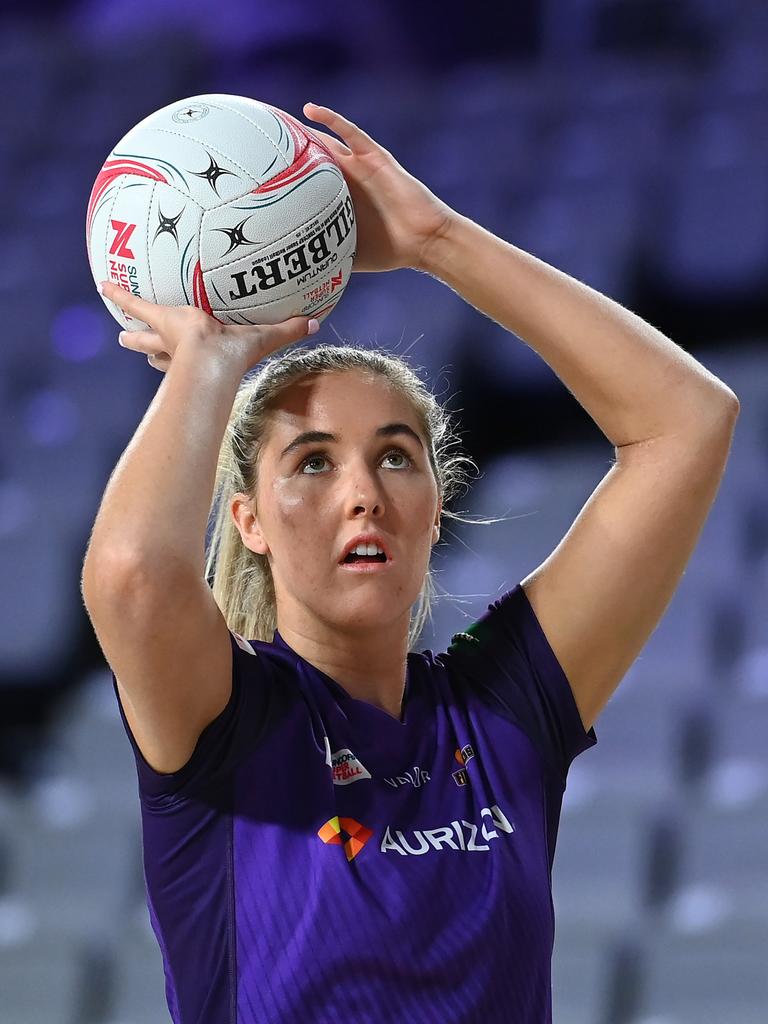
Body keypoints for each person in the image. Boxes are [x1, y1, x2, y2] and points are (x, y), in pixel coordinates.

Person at [82, 103, 739, 1023]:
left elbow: (688, 423)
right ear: (251, 521)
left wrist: (438, 238)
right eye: (313, 463)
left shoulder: (505, 712)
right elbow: (131, 575)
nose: (365, 493)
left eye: (396, 455)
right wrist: (213, 354)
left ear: (436, 508)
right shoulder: (227, 723)